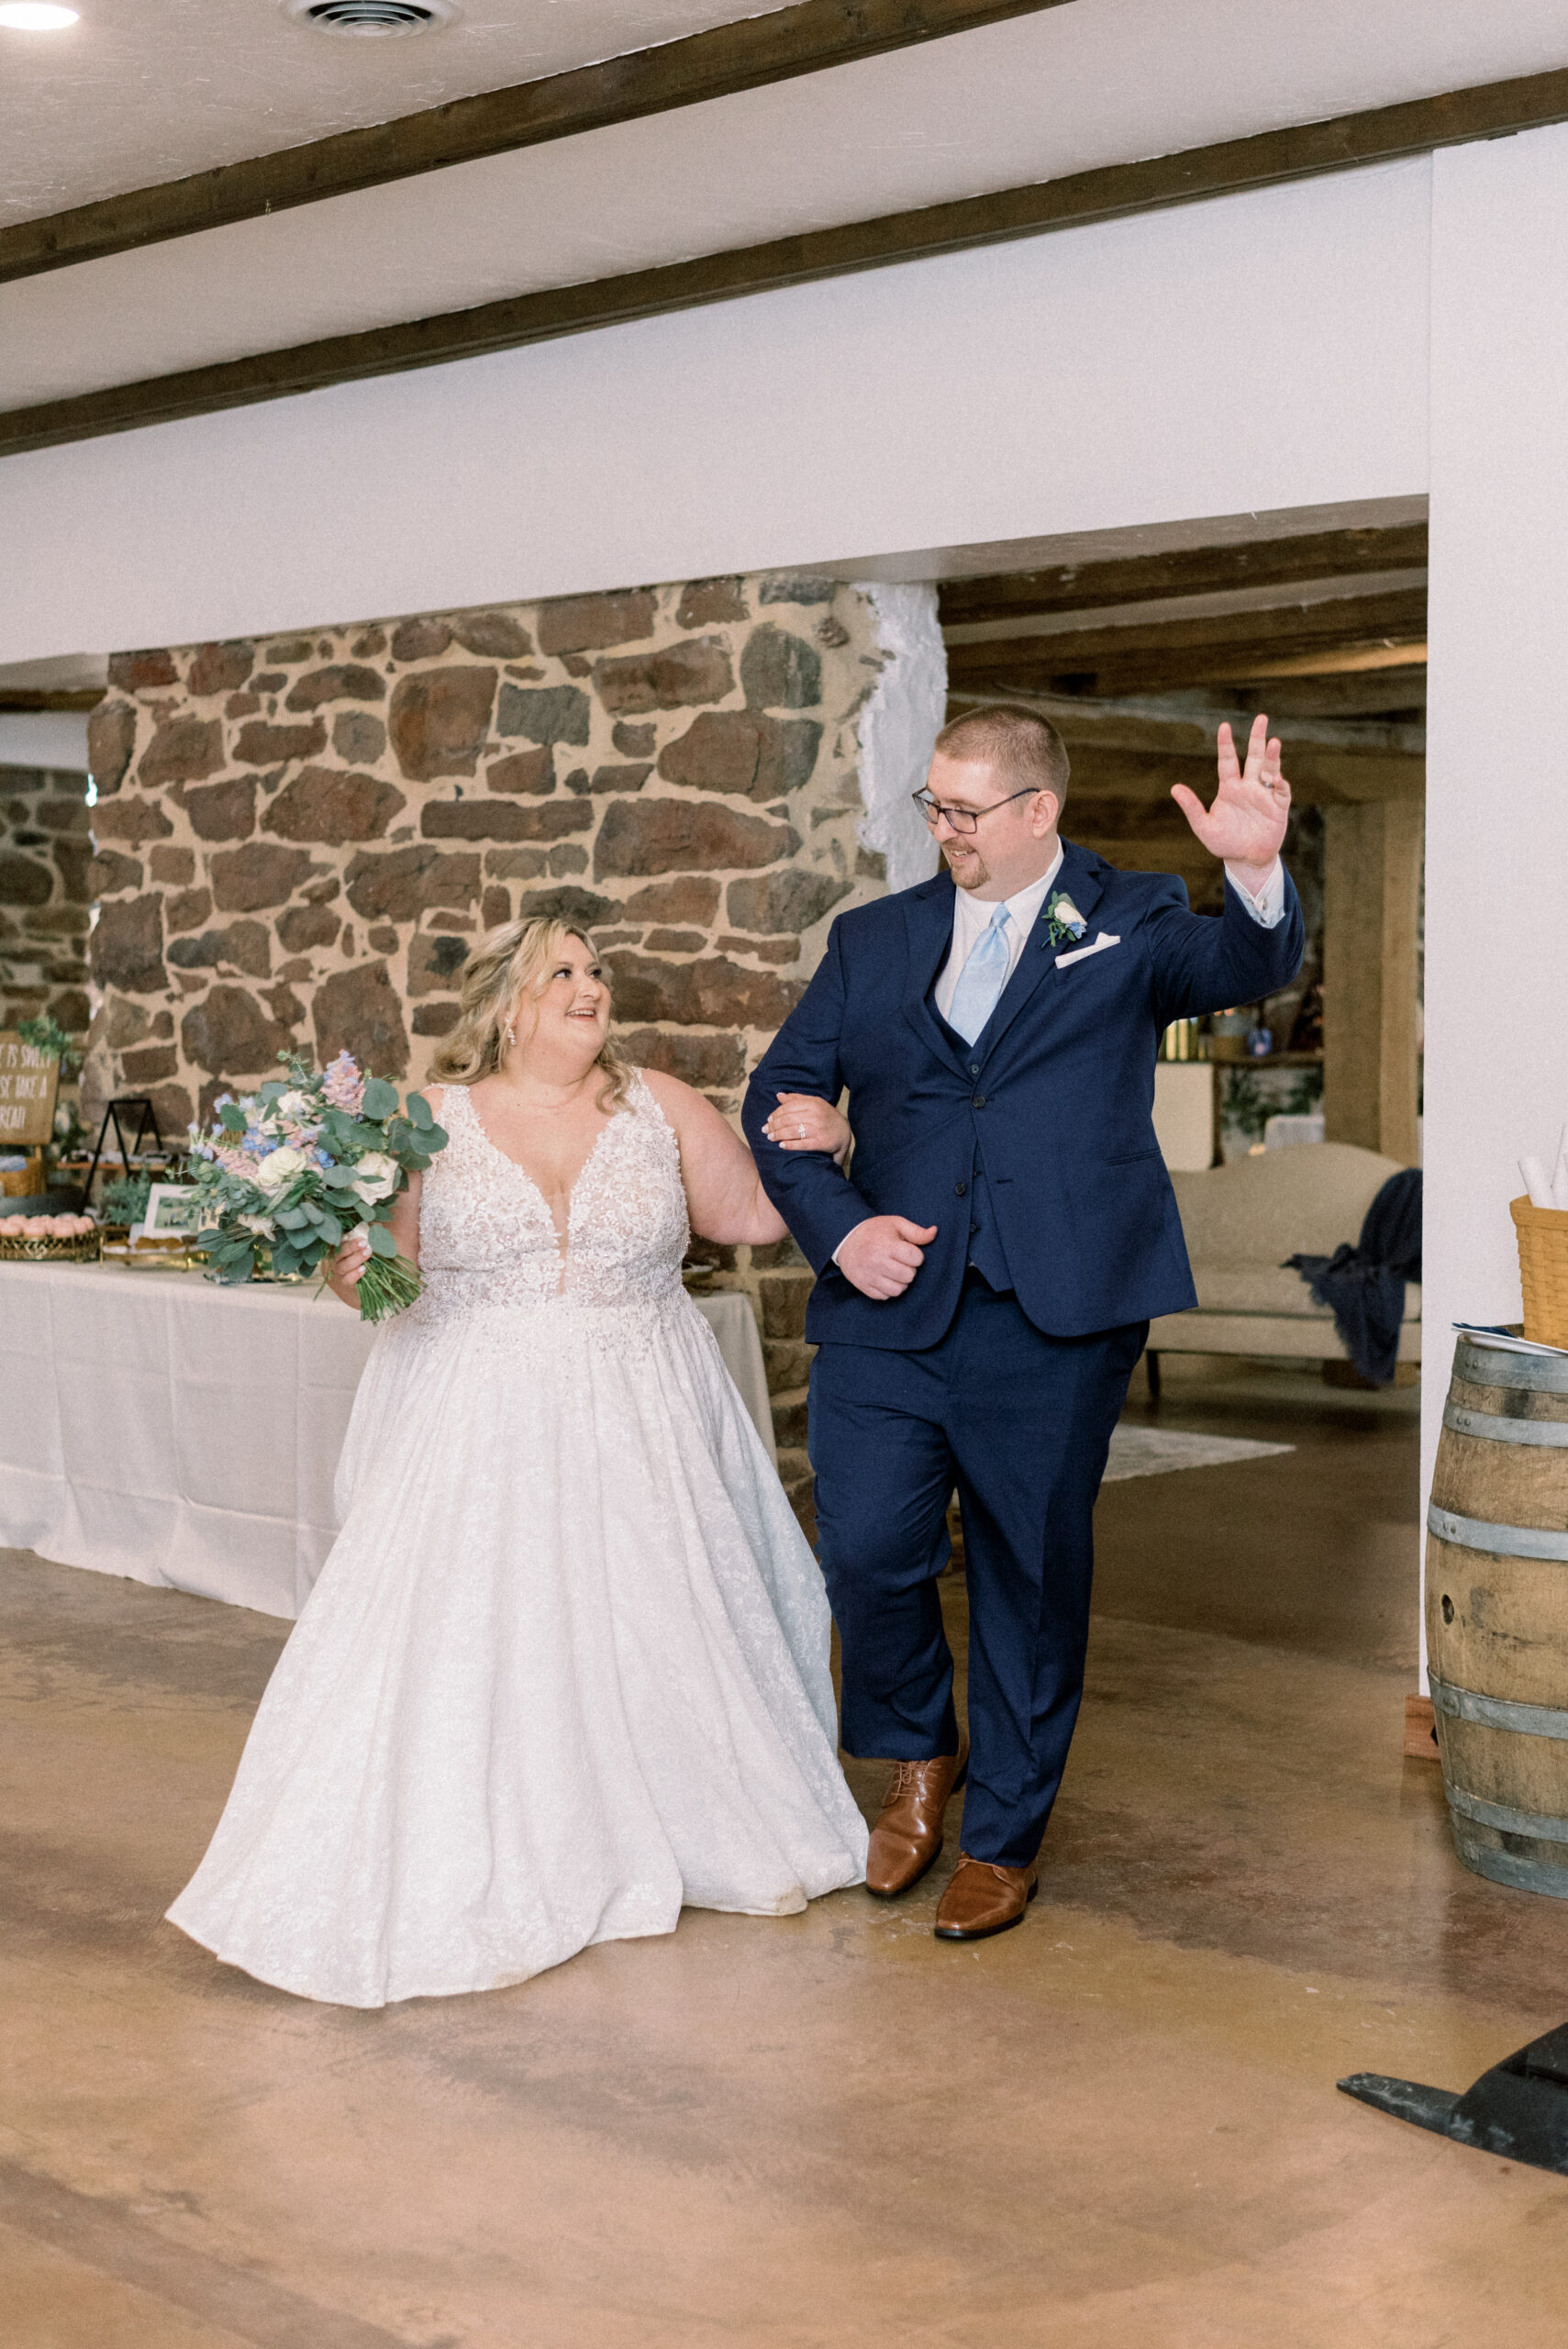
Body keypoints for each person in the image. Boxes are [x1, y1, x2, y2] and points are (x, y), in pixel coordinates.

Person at [167, 918, 868, 2007]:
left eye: (596, 971)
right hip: (479, 1420)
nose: (591, 987)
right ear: (506, 1004)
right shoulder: (426, 1124)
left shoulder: (660, 1103)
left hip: (642, 1413)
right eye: (563, 972)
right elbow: (384, 1288)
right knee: (488, 1641)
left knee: (649, 1621)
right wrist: (345, 1257)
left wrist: (829, 1141)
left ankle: (678, 1816)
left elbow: (752, 1218)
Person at [744, 705, 1304, 1941]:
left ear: (1036, 811)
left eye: (963, 808)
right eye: (930, 805)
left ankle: (1003, 1832)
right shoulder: (873, 941)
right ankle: (914, 1756)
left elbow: (1243, 969)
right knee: (869, 1550)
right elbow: (781, 1092)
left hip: (1052, 1312)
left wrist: (1253, 871)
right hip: (887, 1307)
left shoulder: (1132, 915)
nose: (940, 827)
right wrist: (839, 1226)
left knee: (1028, 1573)